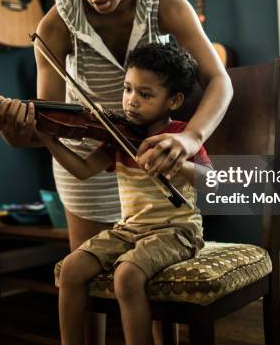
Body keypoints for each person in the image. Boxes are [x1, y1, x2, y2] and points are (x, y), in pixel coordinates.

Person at [0, 0, 233, 344]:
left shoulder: (165, 3)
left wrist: (189, 138)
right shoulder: (53, 25)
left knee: (150, 287)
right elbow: (49, 121)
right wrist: (19, 133)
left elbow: (220, 81)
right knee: (86, 287)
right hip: (90, 157)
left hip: (155, 151)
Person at [38, 43, 212, 345]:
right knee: (71, 269)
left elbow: (213, 182)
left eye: (144, 94)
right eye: (127, 89)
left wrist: (176, 162)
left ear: (174, 100)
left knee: (127, 276)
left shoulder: (181, 136)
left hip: (177, 231)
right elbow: (82, 169)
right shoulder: (119, 136)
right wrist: (48, 139)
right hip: (128, 229)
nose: (131, 101)